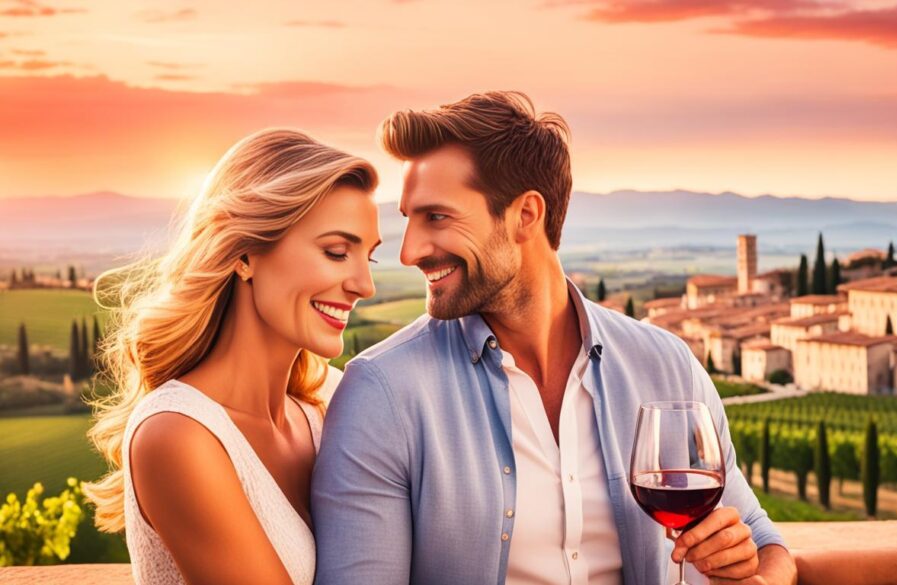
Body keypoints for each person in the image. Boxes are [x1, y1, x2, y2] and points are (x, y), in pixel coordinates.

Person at [312, 92, 797, 584]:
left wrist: (745, 567)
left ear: (526, 215)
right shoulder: (382, 394)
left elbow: (763, 544)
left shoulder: (666, 365)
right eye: (408, 219)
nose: (410, 250)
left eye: (436, 217)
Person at [83, 129, 380, 585]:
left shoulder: (331, 400)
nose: (364, 285)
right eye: (336, 253)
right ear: (244, 254)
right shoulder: (177, 434)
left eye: (369, 259)